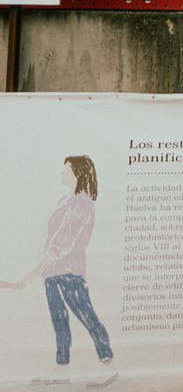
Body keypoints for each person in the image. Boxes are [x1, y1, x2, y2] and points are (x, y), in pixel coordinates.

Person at [1, 156, 114, 367]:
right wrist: (40, 268)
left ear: (78, 174)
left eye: (67, 170)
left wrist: (34, 272)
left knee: (85, 314)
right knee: (59, 320)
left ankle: (106, 355)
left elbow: (63, 242)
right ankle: (62, 363)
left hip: (70, 272)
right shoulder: (64, 202)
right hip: (51, 271)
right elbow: (51, 239)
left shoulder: (83, 204)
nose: (62, 173)